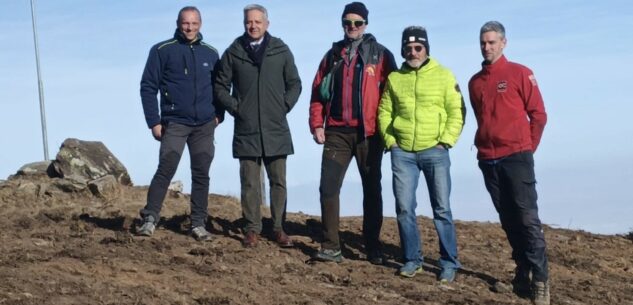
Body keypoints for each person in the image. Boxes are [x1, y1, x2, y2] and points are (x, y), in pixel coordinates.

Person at [468, 21, 549, 305]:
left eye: (491, 42)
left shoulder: (520, 73)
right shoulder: (475, 82)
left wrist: (527, 148)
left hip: (517, 156)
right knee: (509, 219)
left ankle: (541, 280)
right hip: (488, 159)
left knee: (527, 218)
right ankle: (522, 272)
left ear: (503, 43)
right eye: (483, 42)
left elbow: (538, 115)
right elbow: (481, 119)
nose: (487, 47)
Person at [309, 2, 396, 264]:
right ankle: (331, 246)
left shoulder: (380, 55)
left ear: (366, 24)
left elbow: (394, 94)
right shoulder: (332, 55)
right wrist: (316, 123)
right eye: (348, 22)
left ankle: (373, 246)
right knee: (328, 187)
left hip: (370, 134)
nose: (352, 27)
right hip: (336, 131)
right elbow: (317, 92)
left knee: (372, 189)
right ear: (342, 24)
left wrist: (390, 129)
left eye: (358, 23)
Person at [378, 26, 465, 281]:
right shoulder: (395, 78)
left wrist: (445, 142)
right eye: (408, 48)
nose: (413, 52)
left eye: (418, 47)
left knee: (442, 209)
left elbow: (456, 111)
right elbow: (385, 111)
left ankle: (449, 262)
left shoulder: (444, 75)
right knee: (404, 208)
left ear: (426, 48)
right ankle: (412, 259)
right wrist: (391, 141)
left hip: (434, 151)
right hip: (402, 152)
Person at [214, 4, 301, 248]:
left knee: (278, 182)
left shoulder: (281, 50)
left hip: (276, 127)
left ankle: (278, 228)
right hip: (247, 127)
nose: (253, 26)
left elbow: (295, 83)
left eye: (257, 22)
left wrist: (283, 105)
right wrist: (237, 108)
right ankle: (252, 228)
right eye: (248, 23)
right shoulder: (233, 52)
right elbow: (220, 86)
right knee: (250, 182)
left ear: (267, 24)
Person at [137, 6, 223, 242]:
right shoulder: (162, 50)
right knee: (166, 167)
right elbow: (147, 87)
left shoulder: (211, 53)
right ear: (178, 23)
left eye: (194, 23)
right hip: (174, 121)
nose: (190, 27)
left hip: (205, 123)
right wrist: (153, 121)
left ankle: (198, 223)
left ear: (201, 24)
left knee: (201, 173)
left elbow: (221, 87)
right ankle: (150, 218)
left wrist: (219, 115)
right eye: (186, 23)